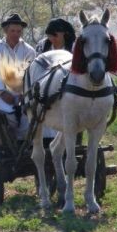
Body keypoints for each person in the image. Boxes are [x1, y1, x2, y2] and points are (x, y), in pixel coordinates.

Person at [0, 13, 37, 139]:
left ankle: (24, 144)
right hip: (0, 96)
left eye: (19, 31)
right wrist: (2, 93)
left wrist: (24, 93)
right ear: (6, 31)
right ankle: (11, 142)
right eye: (12, 31)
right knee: (8, 117)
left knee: (29, 117)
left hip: (24, 95)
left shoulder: (29, 51)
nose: (16, 34)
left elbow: (32, 74)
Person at [35, 18, 77, 146]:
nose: (52, 39)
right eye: (49, 36)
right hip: (46, 85)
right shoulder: (43, 46)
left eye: (55, 36)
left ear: (64, 34)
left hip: (68, 86)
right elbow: (36, 67)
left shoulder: (74, 47)